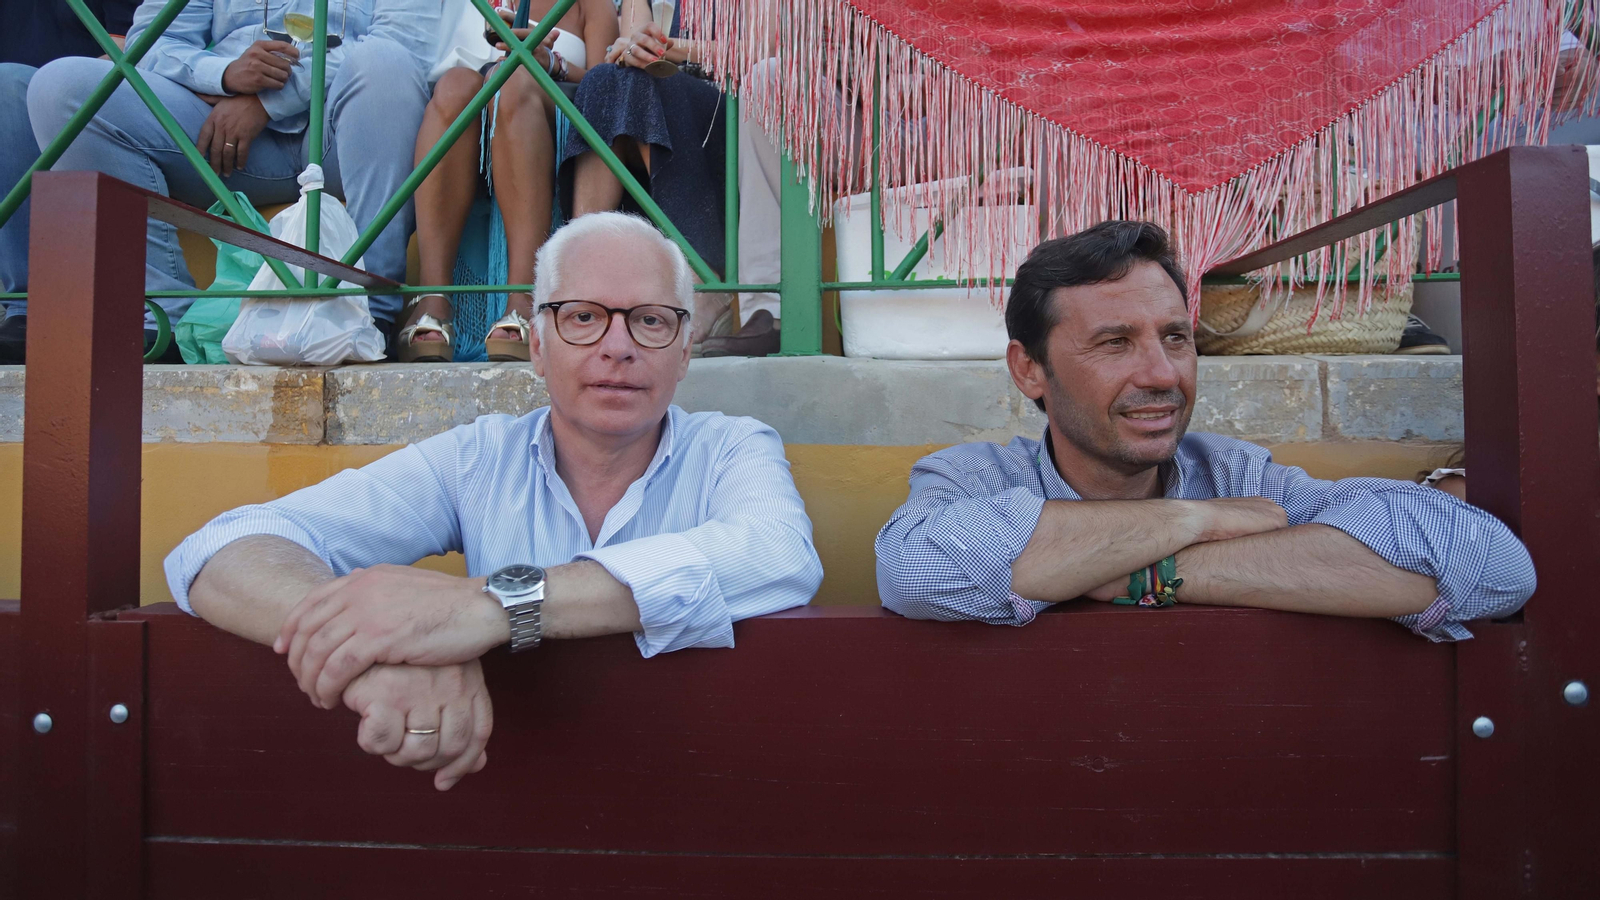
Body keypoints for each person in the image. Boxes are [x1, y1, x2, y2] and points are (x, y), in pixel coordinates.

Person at [165, 212, 823, 790]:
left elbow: (778, 555)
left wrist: (493, 606)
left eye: (650, 320)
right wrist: (372, 654)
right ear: (537, 346)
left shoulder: (732, 448)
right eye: (583, 317)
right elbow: (220, 548)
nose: (618, 347)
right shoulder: (475, 459)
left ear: (683, 353)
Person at [875, 221, 1535, 639]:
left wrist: (1144, 573)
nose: (1163, 373)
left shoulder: (1241, 474)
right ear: (1029, 370)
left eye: (1175, 338)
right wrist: (1198, 519)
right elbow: (916, 571)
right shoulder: (973, 478)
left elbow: (1495, 566)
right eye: (1114, 343)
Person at [25, 0, 441, 346]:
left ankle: (371, 311)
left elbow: (408, 43)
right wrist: (223, 74)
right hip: (221, 135)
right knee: (62, 87)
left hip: (345, 135)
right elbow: (149, 43)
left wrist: (267, 102)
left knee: (386, 62)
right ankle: (161, 318)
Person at [400, 0, 617, 363]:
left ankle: (524, 298)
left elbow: (609, 85)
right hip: (474, 118)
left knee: (513, 78)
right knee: (454, 84)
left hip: (554, 114)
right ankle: (433, 299)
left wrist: (551, 62)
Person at [561, 0, 727, 337]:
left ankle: (703, 281)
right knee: (602, 78)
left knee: (659, 87)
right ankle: (582, 275)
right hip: (659, 96)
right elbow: (633, 43)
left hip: (733, 99)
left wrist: (673, 49)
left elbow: (767, 48)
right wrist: (635, 49)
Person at [1, 0, 141, 364]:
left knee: (9, 87)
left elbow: (133, 44)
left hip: (92, 102)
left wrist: (52, 93)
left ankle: (32, 306)